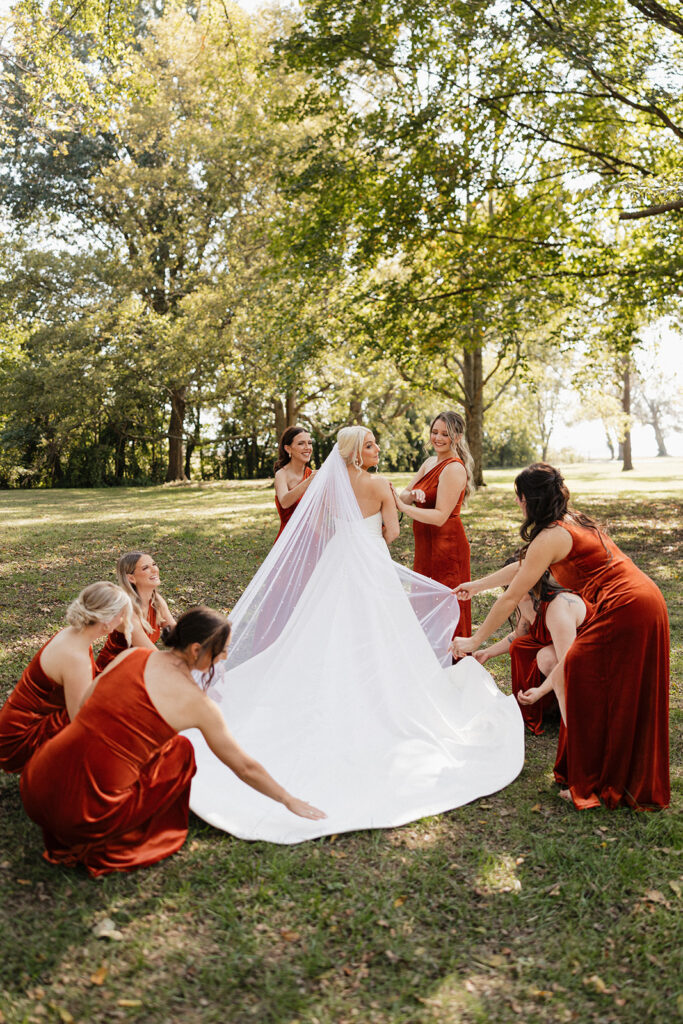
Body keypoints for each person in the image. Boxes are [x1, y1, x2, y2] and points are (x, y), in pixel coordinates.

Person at [187, 426, 524, 844]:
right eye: (371, 444)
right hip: (370, 562)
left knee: (323, 626)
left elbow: (322, 526)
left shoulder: (327, 483)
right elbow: (393, 532)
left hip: (337, 561)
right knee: (379, 629)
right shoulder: (380, 484)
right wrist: (377, 530)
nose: (378, 448)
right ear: (357, 452)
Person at [20, 607, 325, 876]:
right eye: (222, 650)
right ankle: (120, 838)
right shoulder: (199, 705)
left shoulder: (131, 655)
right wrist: (288, 799)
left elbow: (85, 704)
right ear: (195, 650)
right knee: (181, 751)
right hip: (87, 814)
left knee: (164, 745)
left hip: (37, 782)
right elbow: (245, 767)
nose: (225, 657)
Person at [451, 462, 670, 810]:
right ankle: (600, 775)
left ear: (527, 500)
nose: (517, 505)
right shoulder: (569, 521)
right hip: (641, 598)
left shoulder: (550, 536)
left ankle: (595, 783)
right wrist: (476, 586)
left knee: (582, 679)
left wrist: (474, 641)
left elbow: (511, 596)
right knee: (602, 684)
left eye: (518, 499)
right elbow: (523, 567)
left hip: (625, 606)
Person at [0, 583, 132, 774]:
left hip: (12, 724)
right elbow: (79, 720)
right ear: (107, 621)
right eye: (121, 615)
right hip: (19, 739)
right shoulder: (75, 658)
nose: (123, 620)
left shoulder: (73, 634)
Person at [474, 560, 590, 734]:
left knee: (546, 658)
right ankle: (547, 710)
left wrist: (540, 692)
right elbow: (519, 635)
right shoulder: (524, 599)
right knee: (521, 646)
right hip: (564, 651)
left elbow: (568, 660)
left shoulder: (557, 606)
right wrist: (488, 653)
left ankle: (577, 711)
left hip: (593, 652)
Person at [393, 412, 473, 637]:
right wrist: (413, 495)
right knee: (424, 600)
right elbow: (405, 494)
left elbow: (440, 516)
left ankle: (453, 659)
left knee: (446, 603)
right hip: (425, 547)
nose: (437, 438)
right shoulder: (429, 462)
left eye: (445, 434)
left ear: (456, 437)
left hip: (447, 547)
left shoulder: (454, 468)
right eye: (434, 432)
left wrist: (405, 509)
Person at [95, 551, 174, 671]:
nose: (154, 570)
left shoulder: (156, 601)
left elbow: (177, 632)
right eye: (145, 568)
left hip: (137, 669)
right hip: (113, 674)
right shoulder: (127, 611)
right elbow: (153, 656)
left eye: (154, 564)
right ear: (131, 578)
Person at [273, 426, 316, 541]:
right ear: (288, 449)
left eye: (310, 443)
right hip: (289, 540)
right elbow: (285, 502)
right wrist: (308, 481)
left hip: (312, 538)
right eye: (301, 443)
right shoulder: (281, 474)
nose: (307, 448)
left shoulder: (311, 474)